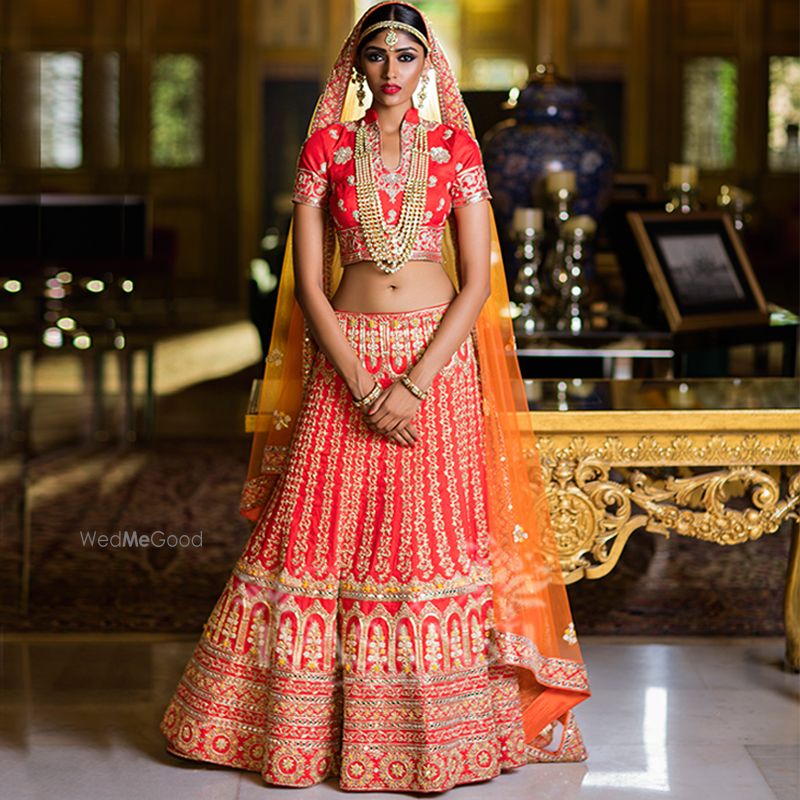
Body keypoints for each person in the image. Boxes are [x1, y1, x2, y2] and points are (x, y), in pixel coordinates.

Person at [159, 2, 591, 792]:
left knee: (429, 543)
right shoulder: (325, 147)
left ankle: (442, 737)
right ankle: (295, 729)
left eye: (407, 56)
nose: (392, 70)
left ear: (429, 67)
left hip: (439, 364)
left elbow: (477, 283)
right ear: (356, 65)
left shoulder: (457, 149)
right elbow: (311, 290)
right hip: (346, 359)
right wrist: (364, 383)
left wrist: (414, 384)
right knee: (315, 538)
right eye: (377, 55)